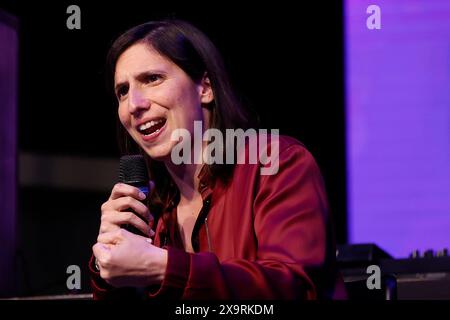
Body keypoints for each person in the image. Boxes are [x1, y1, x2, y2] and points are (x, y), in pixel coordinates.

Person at [89, 19, 346, 300]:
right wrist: (108, 269)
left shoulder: (275, 164)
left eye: (152, 79)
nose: (134, 104)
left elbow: (295, 288)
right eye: (122, 91)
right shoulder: (153, 213)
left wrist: (163, 267)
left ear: (205, 88)